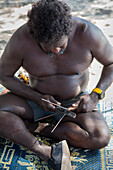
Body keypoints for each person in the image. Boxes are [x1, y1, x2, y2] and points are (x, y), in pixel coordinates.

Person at [0, 0, 113, 169]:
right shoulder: (22, 39)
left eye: (61, 46)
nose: (55, 51)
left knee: (100, 137)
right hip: (34, 100)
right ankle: (45, 152)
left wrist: (95, 95)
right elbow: (4, 75)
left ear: (70, 32)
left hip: (75, 104)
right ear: (35, 37)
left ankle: (36, 127)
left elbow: (111, 63)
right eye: (48, 48)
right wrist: (36, 97)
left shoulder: (87, 33)